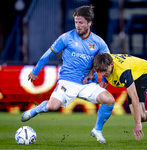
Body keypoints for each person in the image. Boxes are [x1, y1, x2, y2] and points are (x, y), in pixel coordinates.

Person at [21, 5, 116, 144]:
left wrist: (104, 80)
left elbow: (107, 62)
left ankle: (97, 130)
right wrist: (35, 71)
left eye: (81, 22)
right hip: (67, 81)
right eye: (76, 22)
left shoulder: (98, 42)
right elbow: (48, 54)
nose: (77, 25)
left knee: (109, 100)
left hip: (87, 83)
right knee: (52, 106)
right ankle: (37, 109)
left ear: (89, 23)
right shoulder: (66, 38)